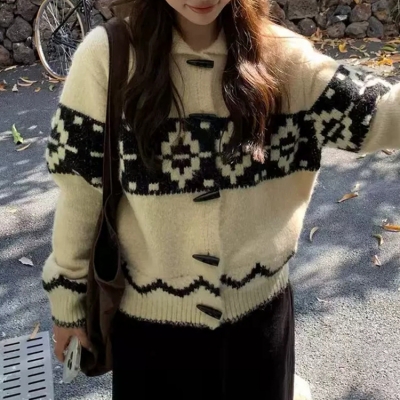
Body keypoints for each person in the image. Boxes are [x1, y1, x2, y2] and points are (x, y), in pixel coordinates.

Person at [42, 0, 400, 399]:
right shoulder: (109, 56)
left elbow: (384, 114)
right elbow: (80, 191)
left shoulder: (285, 59)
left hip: (260, 329)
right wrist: (67, 303)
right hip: (149, 336)